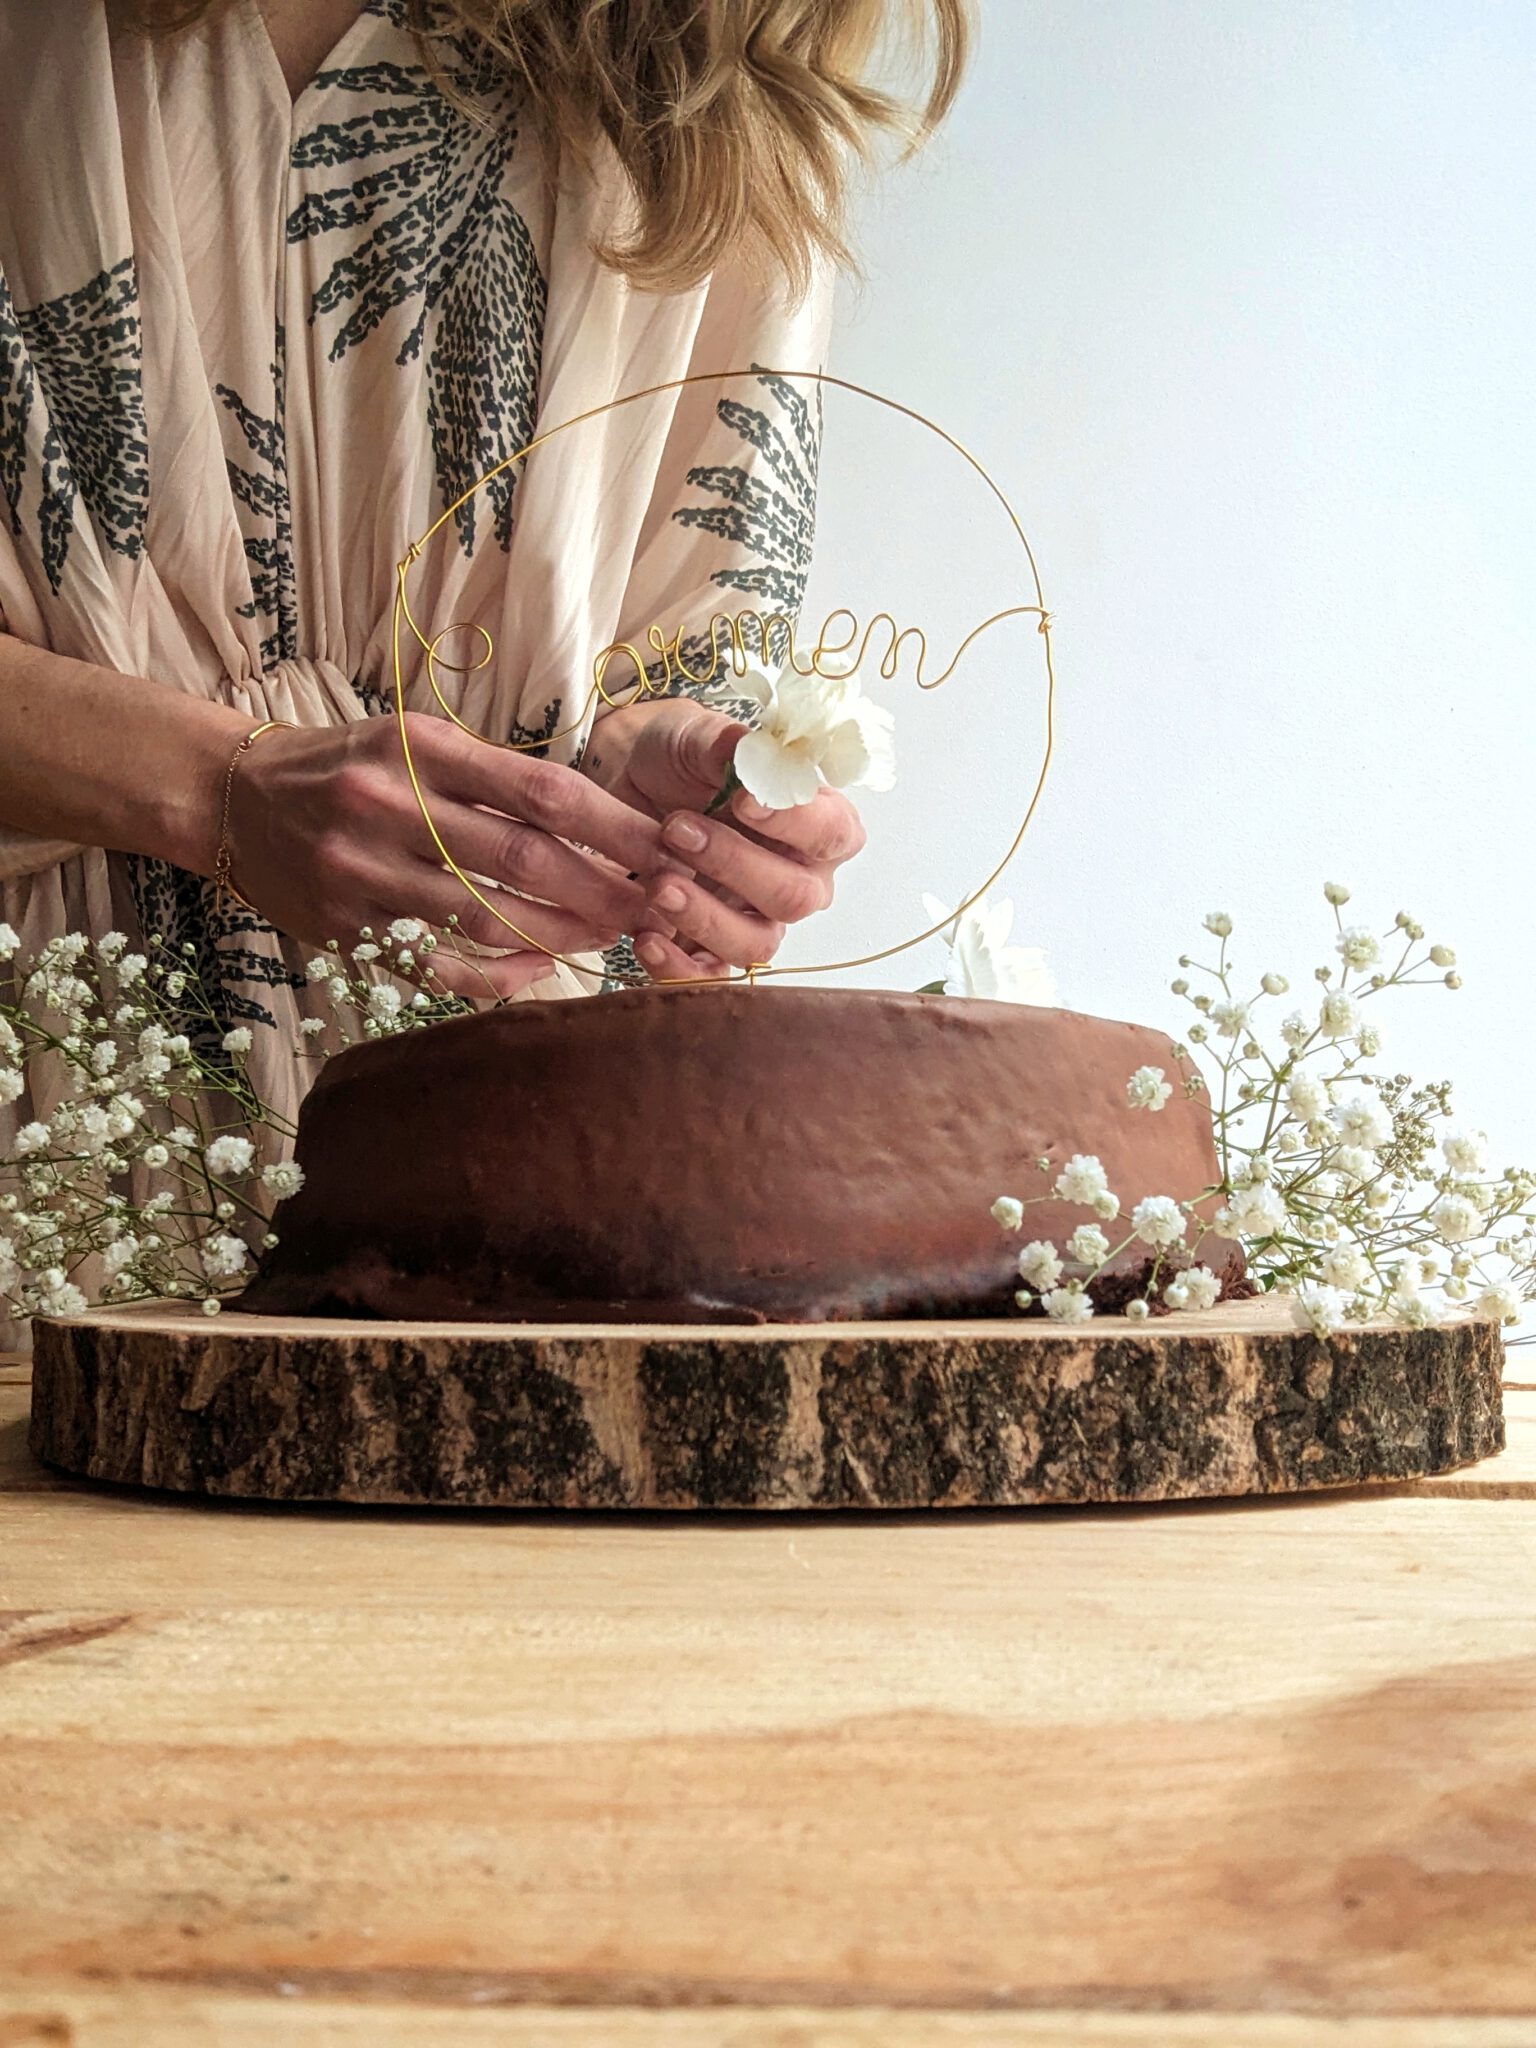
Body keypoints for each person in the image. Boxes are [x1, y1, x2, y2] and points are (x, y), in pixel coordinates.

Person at [0, 0, 968, 1139]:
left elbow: (670, 611)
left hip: (505, 1106)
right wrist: (212, 784)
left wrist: (645, 781)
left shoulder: (714, 53)